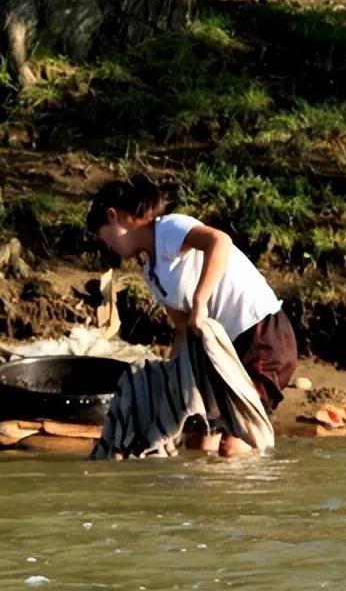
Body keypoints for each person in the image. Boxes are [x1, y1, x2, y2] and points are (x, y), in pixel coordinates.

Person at [87, 176, 297, 457]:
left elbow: (219, 241)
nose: (108, 248)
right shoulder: (151, 271)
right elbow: (183, 327)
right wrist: (173, 379)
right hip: (218, 354)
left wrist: (200, 302)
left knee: (234, 445)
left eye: (105, 238)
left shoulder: (169, 228)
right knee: (198, 439)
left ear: (114, 217)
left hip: (260, 334)